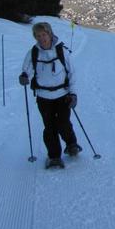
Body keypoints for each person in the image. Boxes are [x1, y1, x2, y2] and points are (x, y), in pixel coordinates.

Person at [19, 22, 81, 168]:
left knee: (63, 123)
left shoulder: (61, 51)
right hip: (43, 97)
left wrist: (73, 94)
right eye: (38, 36)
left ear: (50, 34)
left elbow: (72, 73)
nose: (42, 38)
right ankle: (54, 156)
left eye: (44, 34)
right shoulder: (33, 53)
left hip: (63, 95)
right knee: (50, 127)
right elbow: (26, 70)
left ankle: (71, 144)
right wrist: (23, 76)